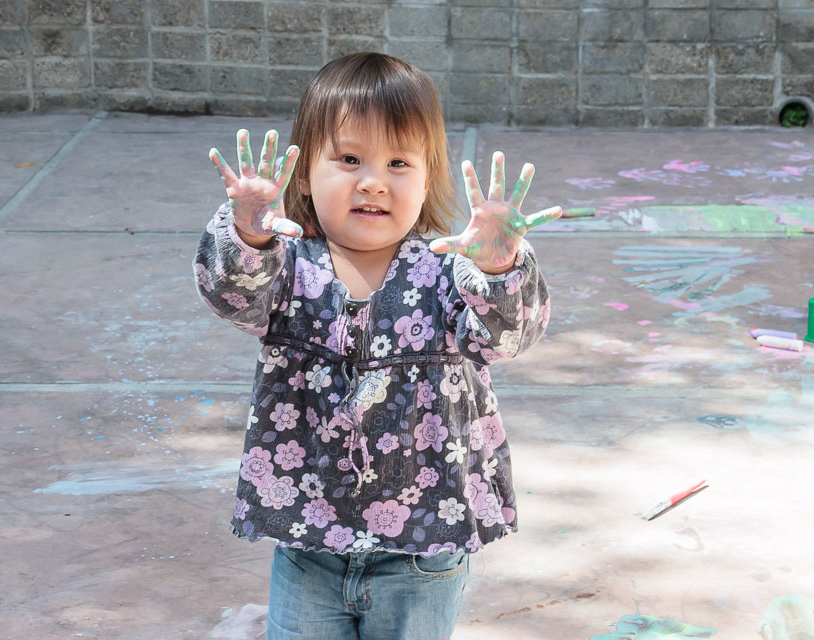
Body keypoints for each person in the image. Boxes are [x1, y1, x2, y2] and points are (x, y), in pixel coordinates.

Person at [194, 52, 560, 640]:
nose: (373, 181)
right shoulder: (286, 268)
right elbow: (232, 296)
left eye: (398, 162)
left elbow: (508, 337)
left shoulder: (448, 272)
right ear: (304, 175)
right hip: (308, 541)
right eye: (349, 159)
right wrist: (246, 234)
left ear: (427, 177)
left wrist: (499, 269)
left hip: (423, 547)